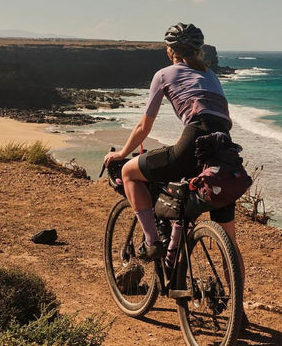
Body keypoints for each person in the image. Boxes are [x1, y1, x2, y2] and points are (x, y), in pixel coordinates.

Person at [103, 22, 246, 303]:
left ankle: (153, 243)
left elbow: (144, 126)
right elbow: (222, 117)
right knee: (230, 241)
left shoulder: (163, 74)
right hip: (222, 153)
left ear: (170, 51)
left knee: (131, 172)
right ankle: (238, 308)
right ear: (199, 50)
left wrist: (121, 154)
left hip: (193, 142)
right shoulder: (212, 75)